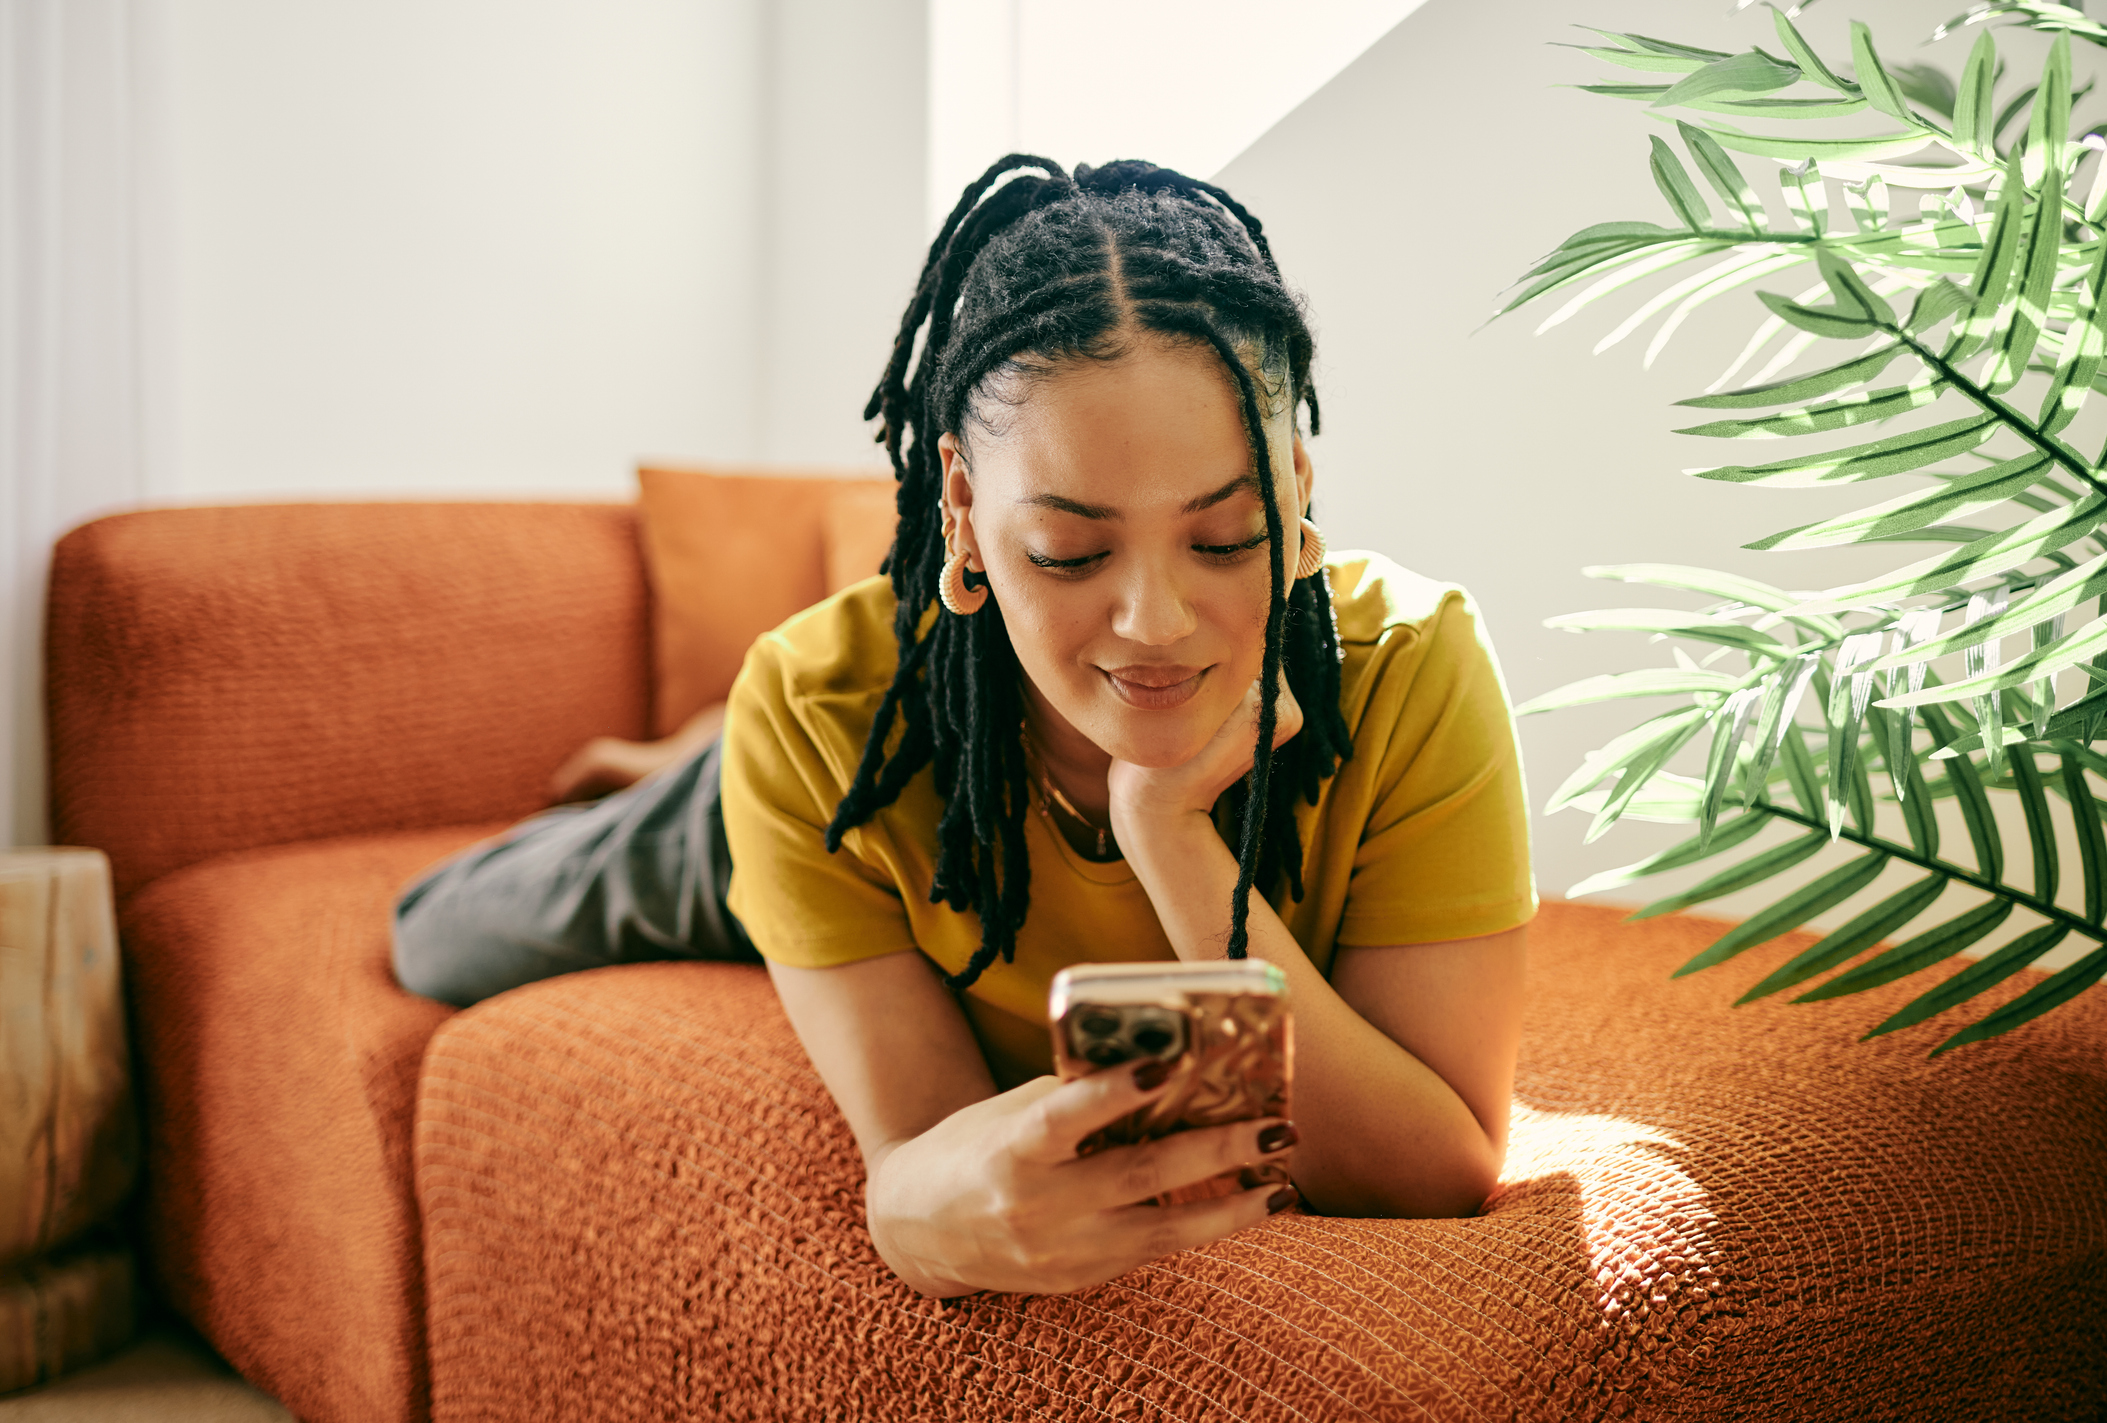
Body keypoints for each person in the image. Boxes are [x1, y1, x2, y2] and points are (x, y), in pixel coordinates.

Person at [394, 157, 1534, 1301]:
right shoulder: (819, 719)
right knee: (434, 940)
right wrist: (904, 1206)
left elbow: (1431, 1170)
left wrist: (1170, 833)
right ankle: (698, 769)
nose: (1155, 622)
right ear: (962, 509)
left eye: (1227, 535)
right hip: (871, 772)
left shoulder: (1410, 668)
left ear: (1296, 483)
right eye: (1070, 553)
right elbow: (924, 1156)